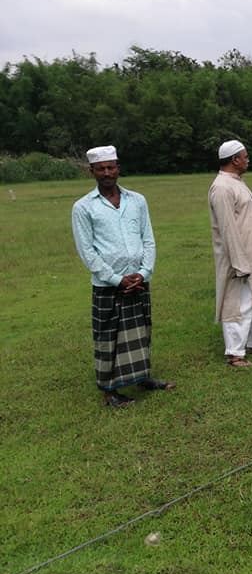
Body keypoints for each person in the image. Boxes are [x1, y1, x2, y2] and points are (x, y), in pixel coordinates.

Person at [72, 145, 173, 407]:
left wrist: (144, 272)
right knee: (109, 337)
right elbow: (87, 252)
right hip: (108, 285)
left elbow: (148, 239)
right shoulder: (83, 207)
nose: (107, 172)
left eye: (111, 167)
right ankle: (110, 391)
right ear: (92, 171)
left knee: (141, 331)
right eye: (101, 169)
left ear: (118, 168)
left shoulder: (137, 200)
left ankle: (142, 377)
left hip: (138, 280)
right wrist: (117, 279)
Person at [208, 140, 252, 368]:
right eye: (245, 157)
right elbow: (228, 229)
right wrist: (239, 263)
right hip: (238, 259)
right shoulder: (222, 187)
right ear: (235, 160)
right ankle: (235, 353)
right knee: (239, 304)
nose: (248, 160)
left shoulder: (235, 182)